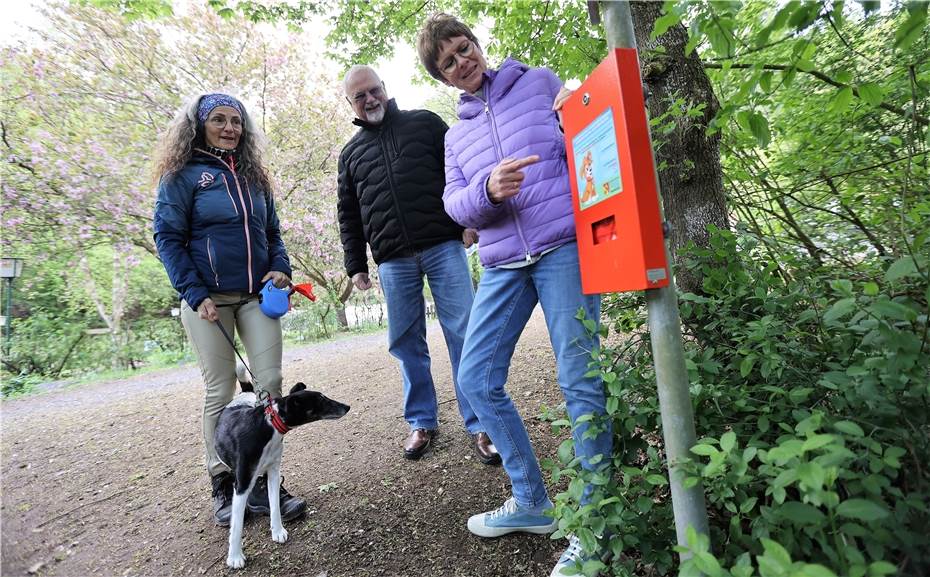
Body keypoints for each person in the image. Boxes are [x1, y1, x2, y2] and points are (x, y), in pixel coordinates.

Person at [417, 14, 613, 577]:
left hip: (561, 248)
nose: (462, 62)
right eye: (448, 62)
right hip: (503, 262)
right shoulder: (456, 135)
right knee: (475, 379)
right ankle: (532, 501)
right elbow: (454, 206)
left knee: (579, 379)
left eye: (464, 48)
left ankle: (597, 527)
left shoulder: (537, 81)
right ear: (443, 77)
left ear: (477, 45)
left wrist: (577, 110)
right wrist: (486, 189)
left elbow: (587, 133)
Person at [153, 92, 307, 527]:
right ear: (199, 126)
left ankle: (262, 479)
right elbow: (166, 237)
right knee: (220, 392)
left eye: (236, 121)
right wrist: (194, 291)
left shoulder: (256, 178)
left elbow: (273, 234)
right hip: (208, 301)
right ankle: (223, 480)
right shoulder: (182, 176)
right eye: (218, 119)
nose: (229, 127)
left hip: (257, 296)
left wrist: (279, 268)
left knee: (270, 383)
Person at [337, 65, 500, 465]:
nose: (370, 99)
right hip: (392, 259)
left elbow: (459, 169)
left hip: (443, 244)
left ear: (385, 89)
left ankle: (481, 423)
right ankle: (422, 421)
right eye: (360, 96)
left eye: (374, 90)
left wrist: (467, 221)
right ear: (350, 103)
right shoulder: (350, 154)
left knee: (465, 333)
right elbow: (349, 212)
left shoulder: (425, 124)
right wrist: (355, 263)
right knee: (406, 342)